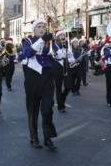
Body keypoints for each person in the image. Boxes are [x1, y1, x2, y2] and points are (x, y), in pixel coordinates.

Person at [22, 18, 57, 150]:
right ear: (34, 29)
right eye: (39, 27)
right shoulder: (27, 40)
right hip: (33, 79)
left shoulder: (49, 41)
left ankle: (48, 138)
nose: (42, 29)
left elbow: (52, 56)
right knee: (33, 110)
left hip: (47, 78)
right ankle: (34, 136)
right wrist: (42, 40)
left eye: (43, 27)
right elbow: (27, 53)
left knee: (47, 110)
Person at [52, 30, 73, 113]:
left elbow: (70, 55)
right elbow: (60, 55)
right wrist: (64, 47)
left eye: (64, 35)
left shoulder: (67, 44)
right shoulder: (54, 45)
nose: (63, 36)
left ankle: (62, 99)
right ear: (57, 37)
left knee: (68, 86)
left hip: (65, 65)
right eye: (61, 35)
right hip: (57, 66)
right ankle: (61, 106)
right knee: (58, 88)